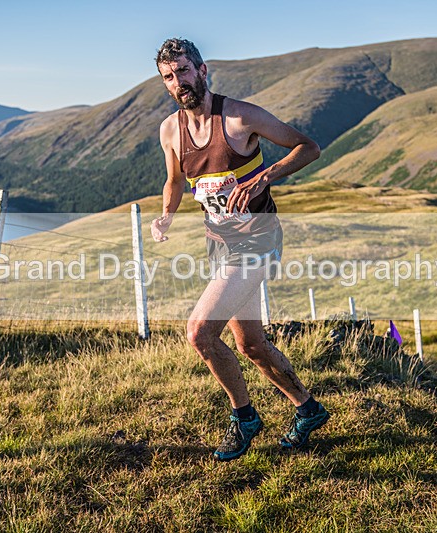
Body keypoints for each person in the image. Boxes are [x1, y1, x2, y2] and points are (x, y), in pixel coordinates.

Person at [151, 38, 329, 461]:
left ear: (203, 70)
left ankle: (244, 417)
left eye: (184, 71)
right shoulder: (170, 129)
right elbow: (175, 180)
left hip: (257, 239)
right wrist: (167, 215)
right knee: (249, 344)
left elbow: (309, 146)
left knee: (199, 332)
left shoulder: (239, 116)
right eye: (169, 77)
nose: (179, 82)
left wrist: (265, 176)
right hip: (219, 244)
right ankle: (308, 409)